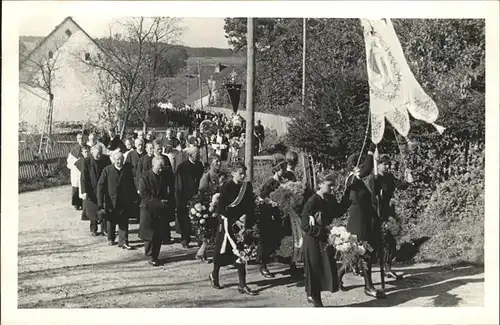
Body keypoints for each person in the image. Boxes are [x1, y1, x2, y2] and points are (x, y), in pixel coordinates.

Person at [338, 143, 385, 299]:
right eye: (359, 164)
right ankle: (368, 286)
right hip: (357, 220)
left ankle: (338, 276)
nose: (362, 168)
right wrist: (371, 149)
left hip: (363, 219)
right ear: (354, 167)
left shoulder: (355, 180)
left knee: (358, 253)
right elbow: (366, 169)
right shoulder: (351, 178)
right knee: (363, 252)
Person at [301, 174, 351, 307]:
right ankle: (313, 296)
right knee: (314, 268)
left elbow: (337, 211)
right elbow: (305, 225)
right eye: (330, 185)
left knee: (324, 268)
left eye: (333, 185)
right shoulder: (312, 201)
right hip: (313, 240)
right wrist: (324, 233)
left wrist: (347, 195)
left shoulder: (329, 198)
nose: (332, 188)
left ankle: (316, 298)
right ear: (320, 184)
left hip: (323, 239)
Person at [209, 162, 258, 296]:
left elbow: (249, 204)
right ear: (233, 173)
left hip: (241, 223)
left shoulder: (246, 186)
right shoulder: (226, 186)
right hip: (227, 222)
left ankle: (242, 284)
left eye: (244, 173)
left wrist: (247, 219)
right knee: (221, 249)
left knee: (242, 251)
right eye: (240, 173)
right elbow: (222, 209)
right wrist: (234, 220)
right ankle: (214, 274)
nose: (242, 176)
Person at [368, 154, 412, 280]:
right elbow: (371, 195)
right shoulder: (373, 178)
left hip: (387, 211)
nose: (387, 166)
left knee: (390, 239)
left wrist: (408, 179)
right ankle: (357, 267)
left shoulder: (389, 177)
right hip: (374, 211)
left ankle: (388, 268)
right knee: (374, 241)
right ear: (378, 164)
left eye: (388, 164)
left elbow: (400, 186)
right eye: (384, 164)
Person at [138, 156, 176, 266]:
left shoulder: (164, 175)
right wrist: (159, 202)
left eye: (162, 167)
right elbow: (144, 194)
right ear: (153, 165)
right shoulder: (144, 176)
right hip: (148, 208)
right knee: (150, 234)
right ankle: (150, 255)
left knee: (159, 233)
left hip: (161, 209)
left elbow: (168, 189)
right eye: (159, 167)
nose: (161, 169)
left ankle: (156, 255)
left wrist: (167, 201)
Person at [97, 151, 136, 249]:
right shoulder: (107, 170)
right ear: (113, 160)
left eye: (121, 159)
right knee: (111, 220)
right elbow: (100, 186)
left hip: (124, 200)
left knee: (124, 221)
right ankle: (111, 238)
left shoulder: (128, 170)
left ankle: (123, 241)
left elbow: (132, 185)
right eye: (117, 159)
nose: (119, 161)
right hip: (111, 200)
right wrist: (100, 202)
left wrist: (134, 198)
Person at [257, 155, 287, 278]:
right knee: (266, 240)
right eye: (282, 168)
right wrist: (272, 203)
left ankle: (289, 262)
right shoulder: (270, 183)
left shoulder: (283, 181)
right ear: (276, 169)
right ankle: (262, 264)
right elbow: (261, 198)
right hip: (269, 216)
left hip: (280, 214)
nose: (284, 170)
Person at [175, 147, 204, 248]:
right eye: (196, 154)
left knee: (199, 218)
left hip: (197, 196)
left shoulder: (200, 165)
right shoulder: (182, 167)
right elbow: (179, 185)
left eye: (199, 153)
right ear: (190, 155)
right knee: (185, 219)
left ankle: (200, 239)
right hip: (185, 196)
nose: (198, 156)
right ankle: (185, 239)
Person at [196, 154, 222, 262]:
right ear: (211, 164)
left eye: (220, 161)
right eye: (217, 162)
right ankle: (202, 252)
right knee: (208, 231)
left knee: (217, 231)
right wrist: (212, 199)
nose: (219, 164)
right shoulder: (206, 177)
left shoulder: (220, 175)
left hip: (219, 207)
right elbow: (201, 193)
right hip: (208, 207)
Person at [80, 145, 111, 236]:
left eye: (100, 154)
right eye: (97, 154)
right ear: (92, 153)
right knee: (92, 210)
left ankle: (104, 228)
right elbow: (83, 177)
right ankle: (93, 228)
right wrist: (84, 191)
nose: (99, 156)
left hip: (103, 188)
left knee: (104, 208)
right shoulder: (86, 161)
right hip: (91, 189)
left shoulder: (106, 159)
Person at [67, 133, 85, 210]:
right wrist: (76, 162)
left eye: (82, 138)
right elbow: (69, 160)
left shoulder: (88, 147)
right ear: (77, 140)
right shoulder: (74, 149)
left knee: (84, 186)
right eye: (79, 138)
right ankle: (76, 203)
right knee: (76, 186)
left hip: (84, 170)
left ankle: (84, 203)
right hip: (76, 170)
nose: (81, 140)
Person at [75, 145, 91, 219]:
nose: (87, 153)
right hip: (83, 179)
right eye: (85, 152)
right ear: (82, 153)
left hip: (91, 180)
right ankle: (85, 214)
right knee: (85, 197)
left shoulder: (91, 159)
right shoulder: (80, 161)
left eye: (88, 151)